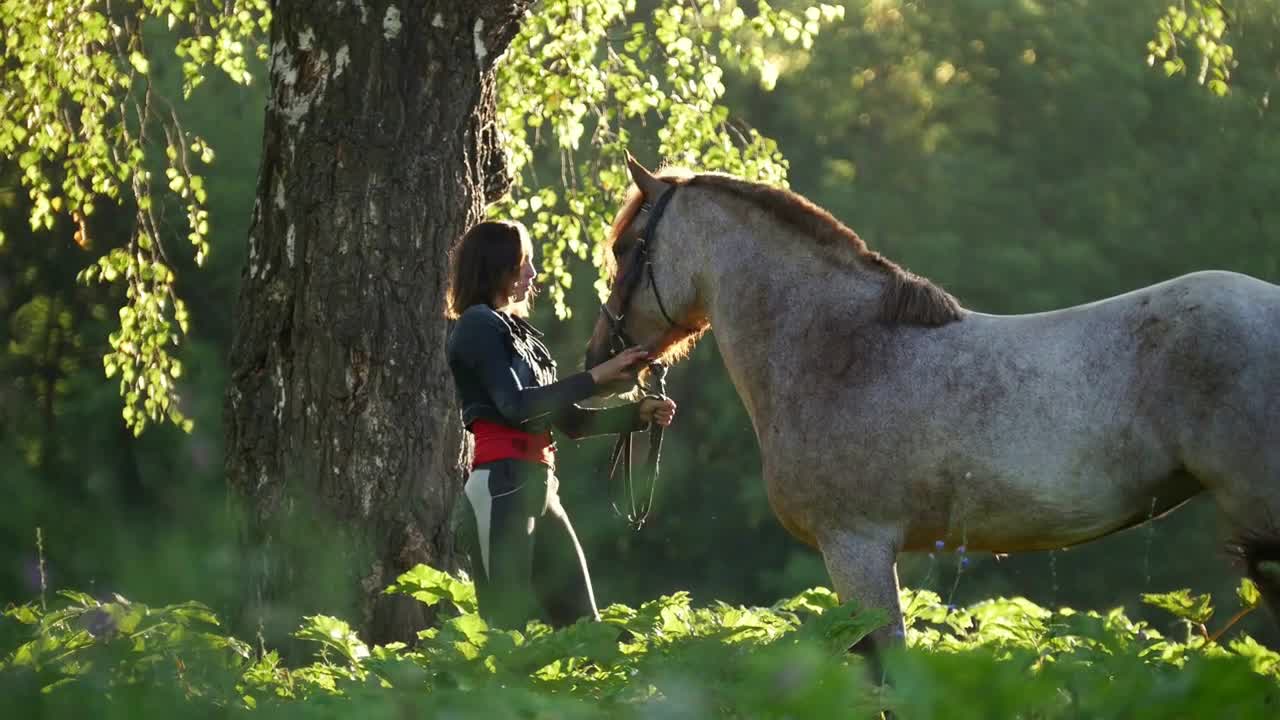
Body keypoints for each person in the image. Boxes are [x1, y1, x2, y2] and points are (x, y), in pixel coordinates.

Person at [445, 219, 677, 630]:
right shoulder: (477, 325)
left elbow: (566, 422)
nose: (532, 274)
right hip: (503, 483)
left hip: (539, 486)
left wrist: (635, 414)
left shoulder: (522, 335)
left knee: (585, 629)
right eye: (524, 263)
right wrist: (598, 376)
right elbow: (516, 406)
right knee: (505, 630)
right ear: (498, 267)